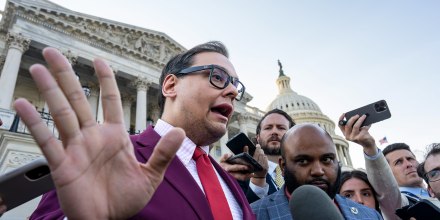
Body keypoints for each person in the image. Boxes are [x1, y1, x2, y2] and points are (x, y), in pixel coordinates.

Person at [16, 41, 254, 219]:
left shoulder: (229, 183)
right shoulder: (102, 159)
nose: (232, 91)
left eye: (236, 85)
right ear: (171, 85)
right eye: (218, 77)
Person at [251, 123, 382, 220]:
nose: (318, 171)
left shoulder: (370, 215)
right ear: (283, 167)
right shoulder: (253, 215)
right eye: (303, 161)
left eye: (327, 159)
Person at [221, 109, 295, 203]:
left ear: (293, 136)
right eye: (268, 128)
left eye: (281, 128)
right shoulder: (240, 175)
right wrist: (258, 180)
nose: (274, 132)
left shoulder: (303, 171)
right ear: (258, 138)